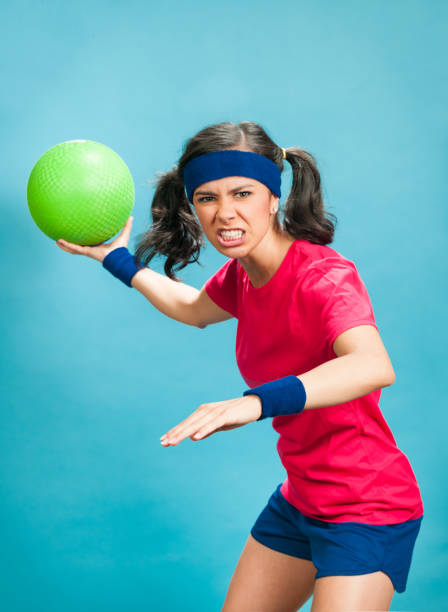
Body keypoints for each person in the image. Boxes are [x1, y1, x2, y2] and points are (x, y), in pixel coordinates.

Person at [56, 120, 424, 612]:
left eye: (242, 193)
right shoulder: (242, 276)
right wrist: (118, 260)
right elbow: (193, 309)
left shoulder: (324, 277)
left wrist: (255, 403)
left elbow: (373, 365)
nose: (224, 213)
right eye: (207, 198)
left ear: (274, 198)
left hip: (366, 506)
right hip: (301, 500)